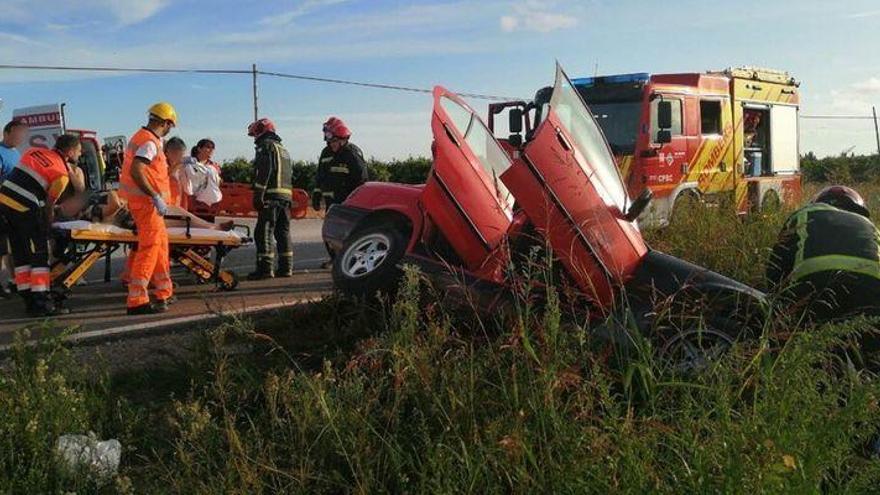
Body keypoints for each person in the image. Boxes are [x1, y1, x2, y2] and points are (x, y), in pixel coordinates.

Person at [766, 185, 880, 364]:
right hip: (872, 293)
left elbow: (775, 269)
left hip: (815, 291)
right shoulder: (870, 226)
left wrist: (776, 308)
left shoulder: (803, 215)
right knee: (870, 359)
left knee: (815, 358)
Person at [0, 134, 85, 316]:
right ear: (69, 152)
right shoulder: (61, 175)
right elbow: (49, 206)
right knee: (40, 255)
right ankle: (41, 303)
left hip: (3, 204)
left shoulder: (33, 151)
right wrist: (47, 227)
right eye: (79, 150)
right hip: (24, 208)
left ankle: (28, 298)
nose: (81, 153)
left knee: (21, 253)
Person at [119, 102, 177, 315]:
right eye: (170, 125)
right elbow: (137, 170)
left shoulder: (144, 139)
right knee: (150, 249)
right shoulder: (150, 143)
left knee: (160, 247)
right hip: (147, 205)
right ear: (166, 122)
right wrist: (154, 196)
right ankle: (137, 300)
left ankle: (163, 292)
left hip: (147, 204)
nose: (170, 129)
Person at [247, 118, 294, 280]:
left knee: (263, 232)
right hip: (286, 198)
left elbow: (264, 171)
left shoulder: (265, 146)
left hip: (271, 197)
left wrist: (259, 194)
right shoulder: (283, 149)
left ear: (260, 132)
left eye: (254, 135)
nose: (254, 139)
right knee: (283, 233)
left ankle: (265, 269)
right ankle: (286, 267)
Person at [312, 117, 367, 212]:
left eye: (334, 141)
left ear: (343, 139)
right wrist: (317, 194)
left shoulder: (352, 153)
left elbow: (361, 179)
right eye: (329, 142)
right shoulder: (326, 153)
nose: (332, 144)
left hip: (348, 204)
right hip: (331, 205)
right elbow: (320, 176)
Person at [0, 120, 27, 299]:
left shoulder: (16, 152)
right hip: (2, 207)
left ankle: (14, 280)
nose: (20, 138)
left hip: (15, 208)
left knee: (12, 247)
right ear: (7, 133)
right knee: (1, 249)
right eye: (18, 134)